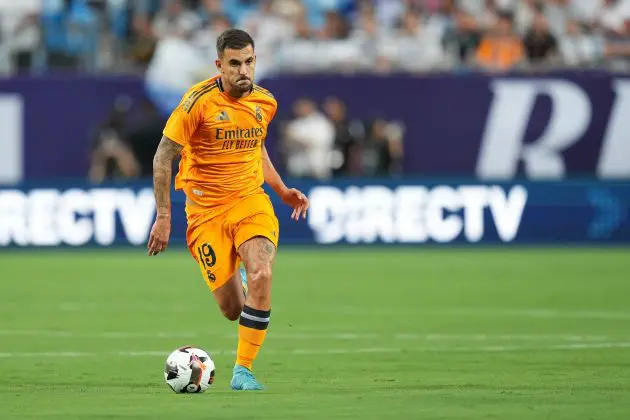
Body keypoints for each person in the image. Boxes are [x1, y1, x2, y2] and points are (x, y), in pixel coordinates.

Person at [147, 28, 309, 391]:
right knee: (232, 309)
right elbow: (162, 158)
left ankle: (243, 370)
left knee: (263, 273)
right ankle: (242, 279)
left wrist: (281, 190)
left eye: (249, 62)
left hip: (250, 202)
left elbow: (258, 147)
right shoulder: (196, 103)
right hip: (205, 213)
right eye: (234, 64)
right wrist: (163, 216)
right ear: (219, 65)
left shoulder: (264, 102)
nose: (243, 71)